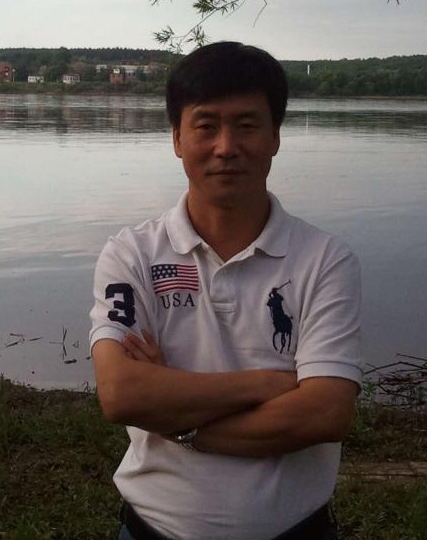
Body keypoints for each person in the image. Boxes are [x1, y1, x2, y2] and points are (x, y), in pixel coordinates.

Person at [90, 41, 363, 540]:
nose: (226, 146)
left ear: (275, 137)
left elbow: (324, 412)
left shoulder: (325, 259)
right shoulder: (132, 254)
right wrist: (266, 384)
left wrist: (178, 421)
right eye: (206, 125)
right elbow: (121, 393)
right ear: (177, 138)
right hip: (150, 530)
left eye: (247, 125)